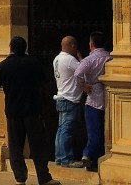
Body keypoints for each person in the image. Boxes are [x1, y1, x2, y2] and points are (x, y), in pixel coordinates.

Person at [0, 37, 60, 185]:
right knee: (38, 145)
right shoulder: (33, 63)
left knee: (15, 146)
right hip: (33, 110)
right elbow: (44, 79)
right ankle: (43, 177)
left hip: (13, 111)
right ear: (25, 47)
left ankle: (20, 178)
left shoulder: (5, 65)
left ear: (11, 48)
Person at [74, 31, 112, 172]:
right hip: (107, 97)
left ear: (91, 44)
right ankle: (97, 159)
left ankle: (88, 154)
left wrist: (83, 86)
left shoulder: (90, 60)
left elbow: (77, 74)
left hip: (93, 98)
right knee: (103, 132)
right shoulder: (110, 57)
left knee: (93, 131)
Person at [52, 36, 84, 167]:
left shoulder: (57, 59)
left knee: (61, 129)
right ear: (71, 46)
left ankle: (59, 156)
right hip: (69, 99)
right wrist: (81, 58)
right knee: (67, 130)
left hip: (62, 96)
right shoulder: (69, 59)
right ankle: (66, 158)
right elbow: (84, 70)